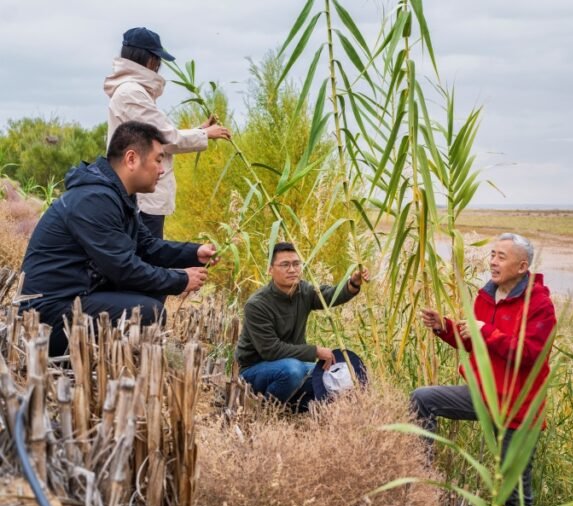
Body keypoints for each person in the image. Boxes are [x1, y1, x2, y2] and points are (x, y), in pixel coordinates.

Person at [19, 121, 217, 357]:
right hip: (47, 315)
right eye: (158, 159)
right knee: (149, 312)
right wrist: (180, 280)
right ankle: (79, 364)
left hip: (77, 296)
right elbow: (123, 268)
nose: (162, 169)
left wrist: (194, 253)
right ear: (131, 159)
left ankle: (110, 361)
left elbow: (147, 246)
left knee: (152, 295)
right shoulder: (94, 199)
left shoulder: (117, 195)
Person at [411, 233, 556, 506]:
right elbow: (473, 342)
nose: (492, 262)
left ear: (522, 267)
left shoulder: (539, 305)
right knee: (422, 399)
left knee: (515, 495)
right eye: (492, 254)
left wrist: (486, 330)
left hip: (518, 408)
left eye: (501, 257)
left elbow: (529, 356)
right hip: (482, 395)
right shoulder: (487, 295)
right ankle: (422, 480)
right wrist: (444, 326)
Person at [104, 26, 231, 238]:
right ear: (149, 60)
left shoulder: (133, 91)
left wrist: (200, 130)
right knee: (148, 256)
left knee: (145, 256)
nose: (158, 67)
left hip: (141, 191)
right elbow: (165, 138)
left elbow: (157, 134)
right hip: (142, 195)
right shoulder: (132, 93)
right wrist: (206, 135)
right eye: (157, 60)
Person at [236, 242, 369, 406]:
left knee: (335, 376)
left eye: (296, 264)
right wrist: (315, 351)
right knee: (293, 371)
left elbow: (328, 295)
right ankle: (267, 409)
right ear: (270, 270)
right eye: (285, 265)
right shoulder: (257, 305)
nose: (292, 270)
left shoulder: (303, 291)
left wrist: (353, 283)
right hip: (255, 370)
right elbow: (271, 350)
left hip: (294, 363)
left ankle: (294, 406)